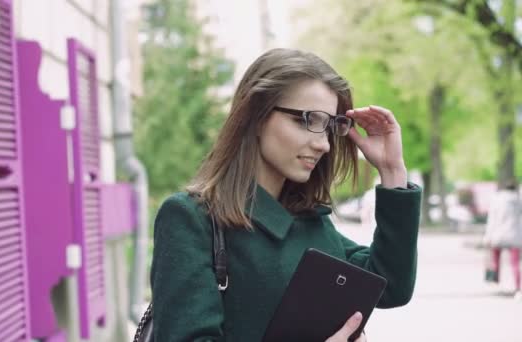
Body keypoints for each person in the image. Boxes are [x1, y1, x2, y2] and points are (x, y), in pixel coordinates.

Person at [150, 48, 421, 341]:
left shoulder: (309, 221)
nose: (324, 145)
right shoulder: (192, 219)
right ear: (256, 116)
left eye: (329, 126)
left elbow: (389, 284)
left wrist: (392, 172)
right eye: (308, 120)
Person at [483, 181, 522, 297]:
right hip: (515, 236)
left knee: (495, 258)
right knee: (515, 263)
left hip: (498, 234)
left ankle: (496, 280)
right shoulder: (519, 201)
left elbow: (491, 220)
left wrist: (487, 237)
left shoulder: (496, 200)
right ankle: (518, 287)